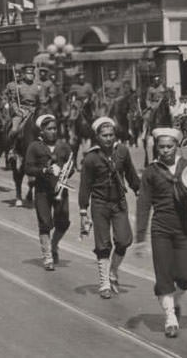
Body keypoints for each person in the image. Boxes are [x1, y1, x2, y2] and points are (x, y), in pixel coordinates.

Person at [135, 127, 187, 338]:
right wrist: (139, 238)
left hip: (183, 230)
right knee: (164, 275)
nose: (166, 151)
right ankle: (170, 316)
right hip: (160, 229)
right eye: (162, 147)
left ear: (177, 146)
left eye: (170, 146)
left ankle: (173, 299)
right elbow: (143, 206)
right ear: (156, 147)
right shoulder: (151, 172)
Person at [79, 117, 140, 299]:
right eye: (104, 135)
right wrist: (83, 211)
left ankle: (113, 270)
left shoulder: (122, 151)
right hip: (100, 204)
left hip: (119, 202)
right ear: (97, 137)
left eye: (111, 135)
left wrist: (139, 190)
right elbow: (85, 186)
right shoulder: (90, 158)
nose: (108, 138)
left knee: (124, 240)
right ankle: (104, 282)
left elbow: (131, 174)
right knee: (103, 244)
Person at [24, 114, 72, 271]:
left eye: (54, 128)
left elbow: (72, 166)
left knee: (63, 222)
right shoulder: (34, 146)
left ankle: (54, 244)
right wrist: (44, 170)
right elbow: (28, 168)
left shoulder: (64, 146)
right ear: (42, 131)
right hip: (42, 191)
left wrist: (65, 172)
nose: (53, 131)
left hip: (60, 190)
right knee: (45, 223)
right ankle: (47, 257)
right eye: (49, 129)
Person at [9, 64, 41, 141]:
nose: (31, 75)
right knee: (14, 130)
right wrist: (18, 111)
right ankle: (12, 148)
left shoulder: (38, 86)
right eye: (28, 73)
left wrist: (38, 110)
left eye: (32, 73)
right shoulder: (18, 86)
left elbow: (41, 101)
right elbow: (13, 101)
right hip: (22, 111)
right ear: (24, 74)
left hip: (35, 111)